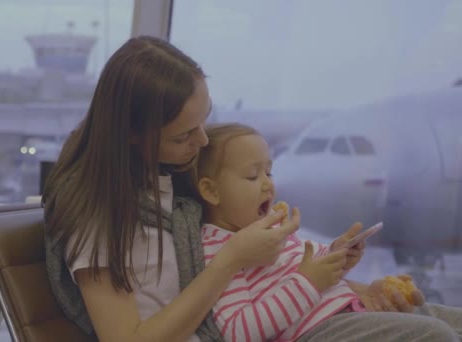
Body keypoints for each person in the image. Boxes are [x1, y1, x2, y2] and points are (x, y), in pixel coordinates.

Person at [42, 36, 462, 342]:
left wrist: (352, 288)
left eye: (204, 121)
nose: (202, 142)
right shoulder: (100, 221)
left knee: (447, 320)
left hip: (307, 311)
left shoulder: (174, 179)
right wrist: (230, 261)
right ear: (133, 135)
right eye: (185, 134)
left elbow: (269, 278)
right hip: (271, 328)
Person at [192, 122, 462, 341]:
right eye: (253, 176)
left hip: (346, 309)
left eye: (269, 173)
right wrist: (309, 282)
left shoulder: (269, 226)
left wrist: (336, 257)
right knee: (434, 335)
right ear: (211, 191)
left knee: (430, 312)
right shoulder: (219, 250)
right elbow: (239, 332)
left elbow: (306, 267)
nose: (268, 186)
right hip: (318, 330)